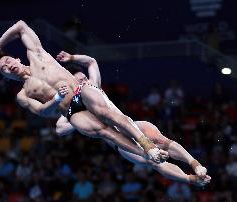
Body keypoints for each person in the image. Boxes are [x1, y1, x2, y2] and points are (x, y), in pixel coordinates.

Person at [0, 20, 165, 163]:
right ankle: (147, 154)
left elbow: (20, 26)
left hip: (80, 91)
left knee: (107, 113)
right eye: (4, 69)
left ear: (16, 58)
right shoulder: (22, 94)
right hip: (70, 109)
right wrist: (57, 97)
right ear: (5, 77)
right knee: (104, 132)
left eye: (8, 61)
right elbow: (43, 112)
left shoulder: (36, 54)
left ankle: (147, 143)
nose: (9, 66)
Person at [55, 51, 211, 186]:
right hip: (121, 141)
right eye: (81, 82)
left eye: (85, 79)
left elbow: (91, 62)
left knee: (161, 140)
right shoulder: (75, 108)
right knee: (154, 162)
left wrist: (72, 57)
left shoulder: (94, 85)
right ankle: (190, 179)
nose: (85, 82)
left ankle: (194, 163)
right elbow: (59, 129)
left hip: (132, 125)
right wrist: (76, 119)